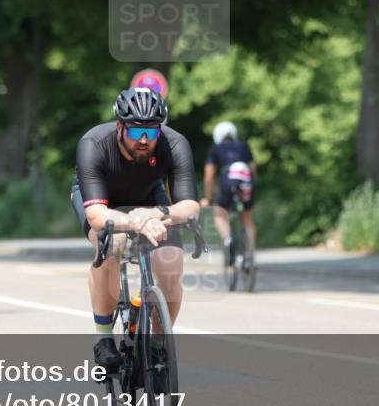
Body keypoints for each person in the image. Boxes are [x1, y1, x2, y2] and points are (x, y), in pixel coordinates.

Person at [71, 87, 200, 370]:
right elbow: (95, 215)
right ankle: (104, 340)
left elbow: (190, 205)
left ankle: (157, 343)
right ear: (120, 127)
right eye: (135, 132)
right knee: (112, 247)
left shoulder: (175, 143)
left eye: (152, 133)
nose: (144, 140)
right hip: (102, 200)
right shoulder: (93, 143)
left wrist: (157, 213)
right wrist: (135, 222)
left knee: (171, 262)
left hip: (147, 199)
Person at [201, 121, 258, 266]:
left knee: (220, 214)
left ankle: (228, 240)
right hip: (246, 181)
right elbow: (253, 169)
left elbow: (209, 177)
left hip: (227, 182)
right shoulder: (244, 146)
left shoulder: (215, 149)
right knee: (247, 217)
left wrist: (208, 198)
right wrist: (252, 187)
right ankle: (249, 255)